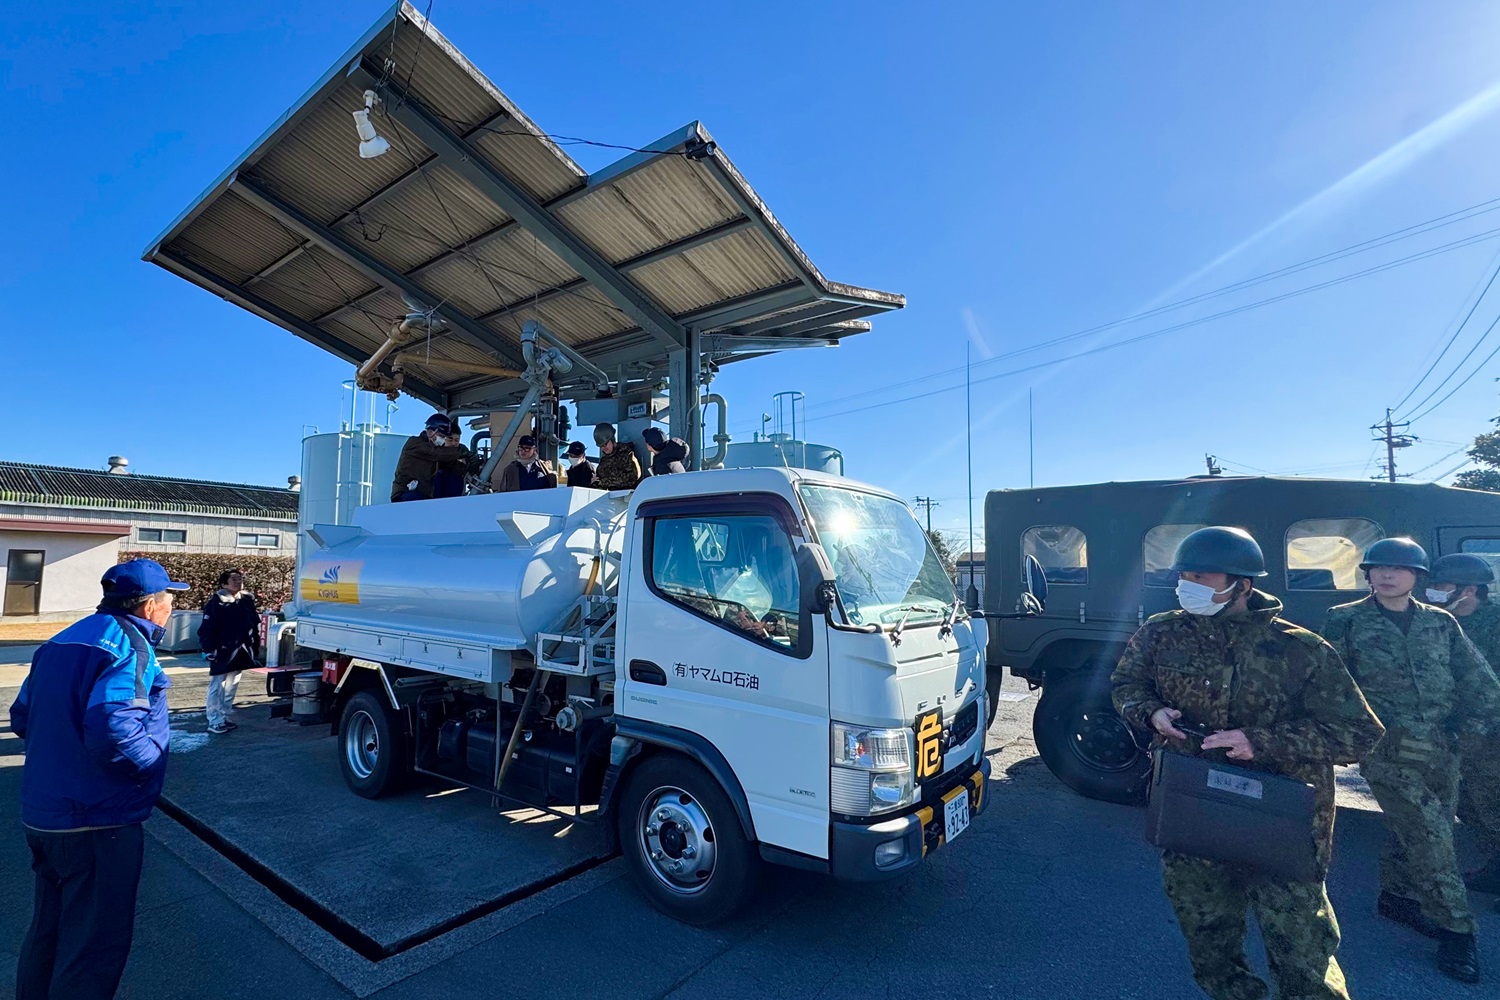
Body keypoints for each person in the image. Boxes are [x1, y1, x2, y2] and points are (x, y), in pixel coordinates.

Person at [1112, 526, 1384, 1000]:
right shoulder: (1161, 632)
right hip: (1193, 810)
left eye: (1202, 577)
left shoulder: (1302, 649)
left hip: (1280, 820)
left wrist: (1260, 742)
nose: (1187, 585)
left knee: (1304, 954)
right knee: (1208, 940)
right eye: (1184, 576)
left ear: (1242, 585)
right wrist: (1151, 712)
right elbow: (1126, 686)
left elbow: (1358, 733)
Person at [9, 558, 189, 1000]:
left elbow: (21, 716)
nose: (172, 607)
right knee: (92, 948)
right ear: (149, 606)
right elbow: (113, 730)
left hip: (44, 814)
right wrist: (151, 766)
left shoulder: (61, 640)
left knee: (49, 931)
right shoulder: (129, 646)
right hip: (97, 820)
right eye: (169, 598)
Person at [1324, 537, 1500, 984]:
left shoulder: (1441, 623)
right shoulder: (1344, 620)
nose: (1387, 575)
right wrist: (1353, 736)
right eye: (1378, 567)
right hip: (1386, 751)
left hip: (1442, 748)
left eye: (1399, 569)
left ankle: (1397, 898)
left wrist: (1471, 730)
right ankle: (1458, 931)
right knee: (1431, 832)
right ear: (1367, 574)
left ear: (1416, 577)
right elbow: (1331, 684)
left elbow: (1478, 678)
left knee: (1418, 827)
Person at [1425, 553, 1500, 906]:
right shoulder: (1441, 622)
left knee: (1493, 801)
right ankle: (1495, 867)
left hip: (1491, 732)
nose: (1434, 592)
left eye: (1442, 586)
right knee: (1471, 804)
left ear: (1469, 590)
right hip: (1457, 733)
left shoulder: (1495, 624)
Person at [198, 568, 259, 735]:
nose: (238, 582)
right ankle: (214, 719)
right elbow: (206, 629)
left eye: (240, 579)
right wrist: (209, 649)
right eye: (234, 579)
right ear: (224, 584)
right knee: (218, 686)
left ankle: (224, 716)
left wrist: (254, 648)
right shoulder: (216, 603)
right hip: (222, 650)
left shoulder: (246, 601)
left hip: (242, 650)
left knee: (231, 686)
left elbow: (254, 625)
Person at [391, 413, 469, 502]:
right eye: (441, 436)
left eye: (444, 437)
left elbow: (452, 465)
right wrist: (461, 451)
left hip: (424, 495)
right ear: (430, 432)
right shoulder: (415, 444)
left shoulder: (437, 452)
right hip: (405, 494)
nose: (442, 440)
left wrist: (469, 466)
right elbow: (435, 453)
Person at [493, 434, 557, 492]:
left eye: (527, 448)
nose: (523, 451)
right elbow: (503, 492)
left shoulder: (544, 467)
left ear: (534, 450)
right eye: (521, 448)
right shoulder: (510, 469)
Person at [593, 423, 641, 490]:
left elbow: (631, 478)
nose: (603, 448)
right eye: (601, 446)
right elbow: (598, 480)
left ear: (612, 439)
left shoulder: (626, 453)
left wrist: (604, 482)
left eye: (605, 444)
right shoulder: (603, 461)